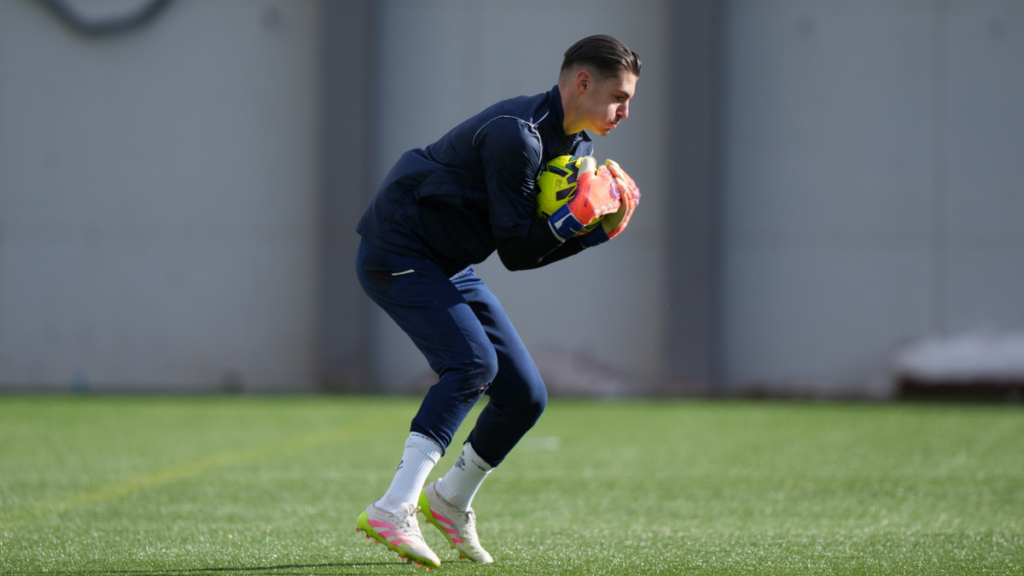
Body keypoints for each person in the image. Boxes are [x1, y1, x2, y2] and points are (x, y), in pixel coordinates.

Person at [353, 34, 642, 569]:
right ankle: (393, 508)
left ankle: (450, 498)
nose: (625, 111)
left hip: (448, 262)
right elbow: (514, 252)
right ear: (582, 82)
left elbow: (526, 253)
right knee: (471, 364)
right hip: (398, 246)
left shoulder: (577, 147)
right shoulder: (520, 137)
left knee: (526, 396)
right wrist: (575, 219)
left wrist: (595, 232)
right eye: (619, 97)